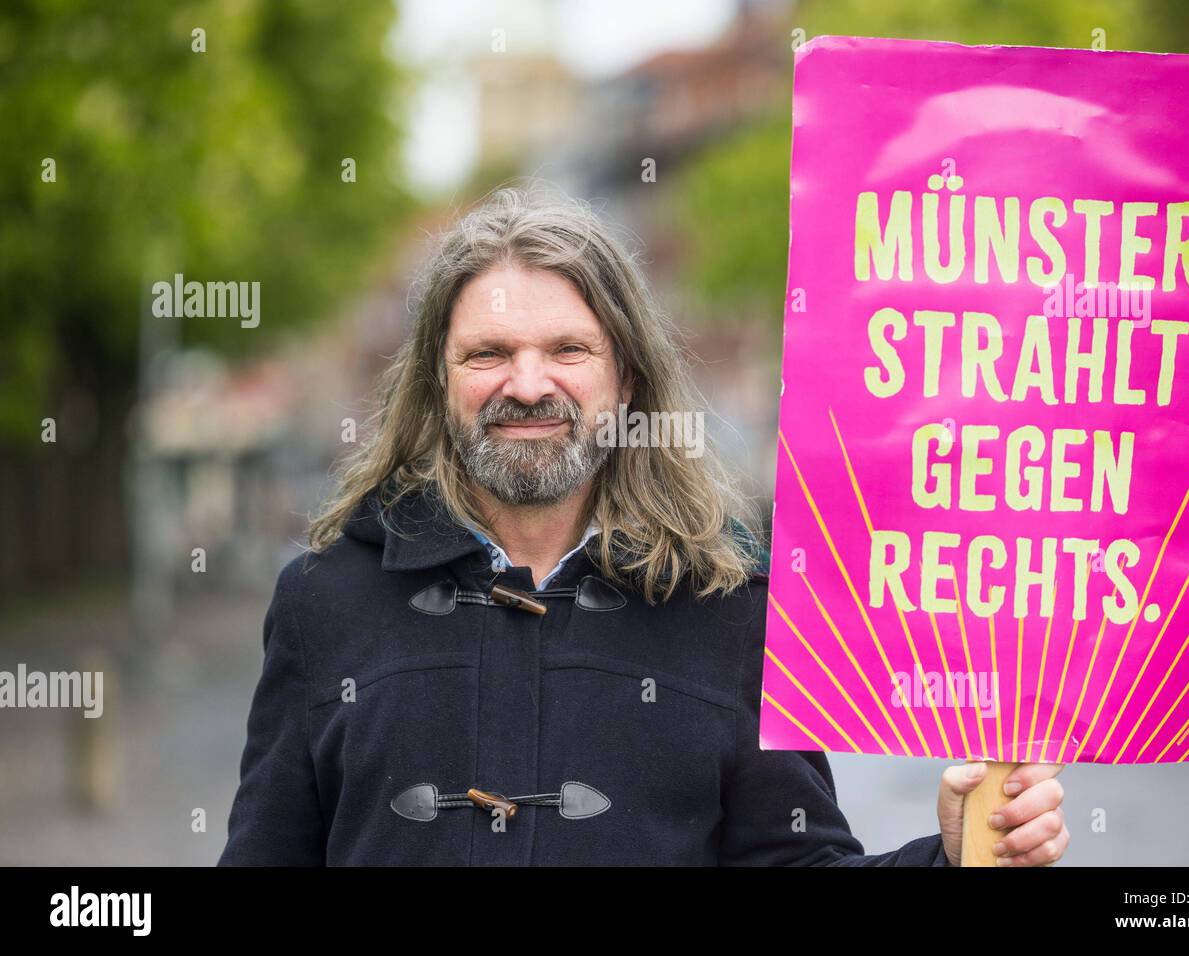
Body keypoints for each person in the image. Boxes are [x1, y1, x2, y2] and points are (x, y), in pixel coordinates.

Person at [217, 184, 1068, 866]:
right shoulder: (320, 601)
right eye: (487, 353)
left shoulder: (734, 607)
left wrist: (950, 860)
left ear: (625, 383)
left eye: (567, 350)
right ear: (439, 385)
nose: (526, 384)